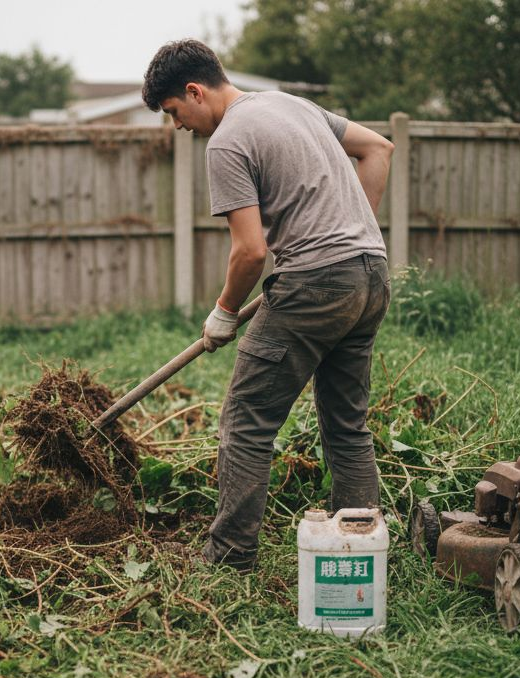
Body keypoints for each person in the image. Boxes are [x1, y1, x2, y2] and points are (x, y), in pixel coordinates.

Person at [142, 39, 394, 571]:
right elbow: (379, 148)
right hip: (371, 275)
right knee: (347, 424)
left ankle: (229, 557)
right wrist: (352, 230)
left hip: (317, 285)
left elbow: (251, 251)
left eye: (174, 113)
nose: (178, 127)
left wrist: (224, 312)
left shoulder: (228, 141)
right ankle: (360, 543)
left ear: (194, 91)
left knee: (246, 421)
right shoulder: (292, 104)